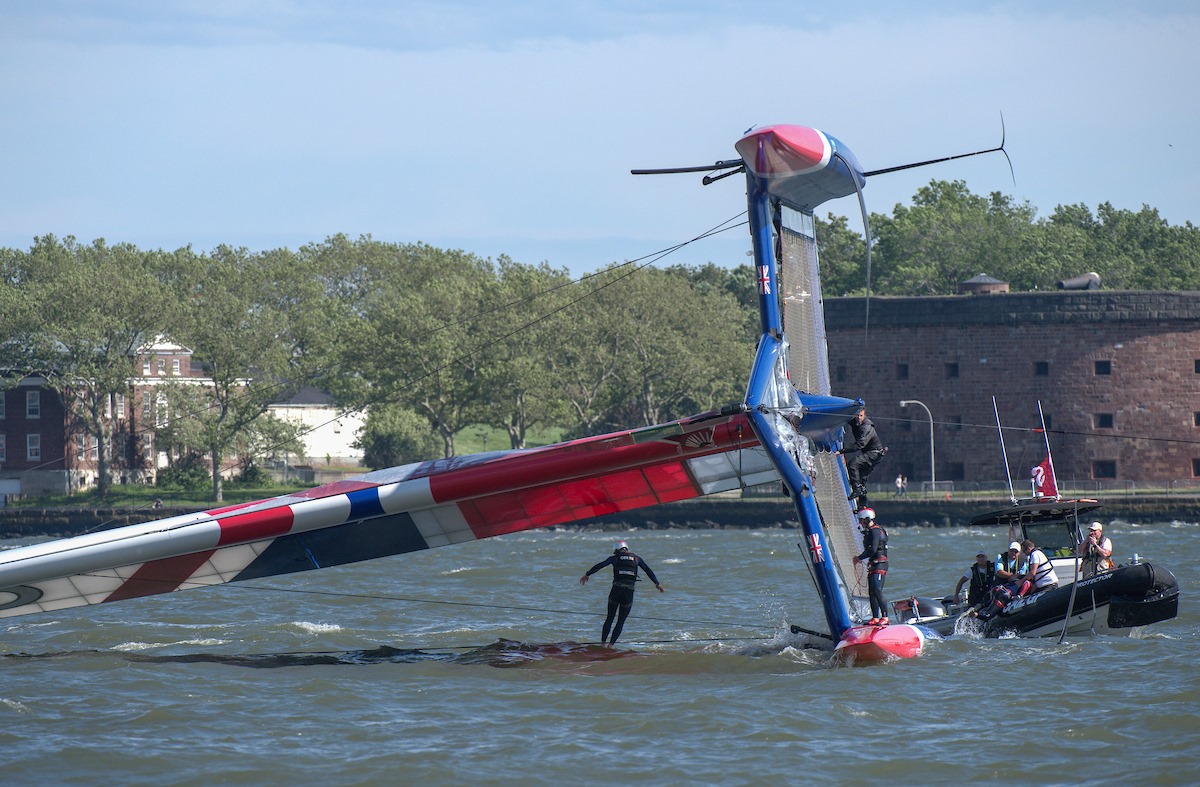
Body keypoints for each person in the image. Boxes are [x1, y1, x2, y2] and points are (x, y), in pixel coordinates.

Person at [579, 540, 663, 646]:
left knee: (610, 617)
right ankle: (610, 646)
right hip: (628, 593)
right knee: (621, 621)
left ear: (616, 550)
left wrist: (587, 574)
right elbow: (648, 570)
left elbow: (600, 565)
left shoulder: (615, 558)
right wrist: (657, 584)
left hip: (616, 590)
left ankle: (602, 644)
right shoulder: (637, 559)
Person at [838, 406, 886, 510]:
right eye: (857, 415)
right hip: (871, 454)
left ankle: (857, 489)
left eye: (861, 416)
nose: (859, 418)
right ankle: (862, 507)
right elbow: (846, 418)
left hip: (874, 453)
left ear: (865, 416)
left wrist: (842, 451)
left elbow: (860, 445)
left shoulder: (866, 427)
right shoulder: (856, 422)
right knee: (861, 480)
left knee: (853, 464)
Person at [851, 507, 889, 625]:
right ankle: (875, 618)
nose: (861, 523)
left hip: (880, 564)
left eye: (861, 521)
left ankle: (885, 617)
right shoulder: (870, 531)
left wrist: (859, 558)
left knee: (877, 590)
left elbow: (872, 549)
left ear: (867, 520)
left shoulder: (875, 531)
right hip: (873, 564)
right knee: (871, 592)